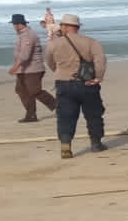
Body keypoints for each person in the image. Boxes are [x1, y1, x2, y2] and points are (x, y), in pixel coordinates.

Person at [45, 13, 108, 158]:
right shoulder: (91, 42)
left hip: (64, 83)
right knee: (94, 115)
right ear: (77, 27)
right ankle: (96, 143)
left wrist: (60, 72)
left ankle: (65, 144)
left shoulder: (54, 43)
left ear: (65, 27)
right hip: (87, 83)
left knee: (65, 116)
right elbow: (100, 61)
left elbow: (49, 61)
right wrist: (98, 77)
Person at [7, 13, 57, 122]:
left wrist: (15, 67)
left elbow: (25, 55)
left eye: (14, 24)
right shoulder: (22, 34)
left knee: (35, 91)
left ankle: (58, 106)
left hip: (33, 69)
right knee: (21, 90)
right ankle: (31, 115)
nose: (13, 26)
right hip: (24, 69)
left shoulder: (28, 35)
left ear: (18, 24)